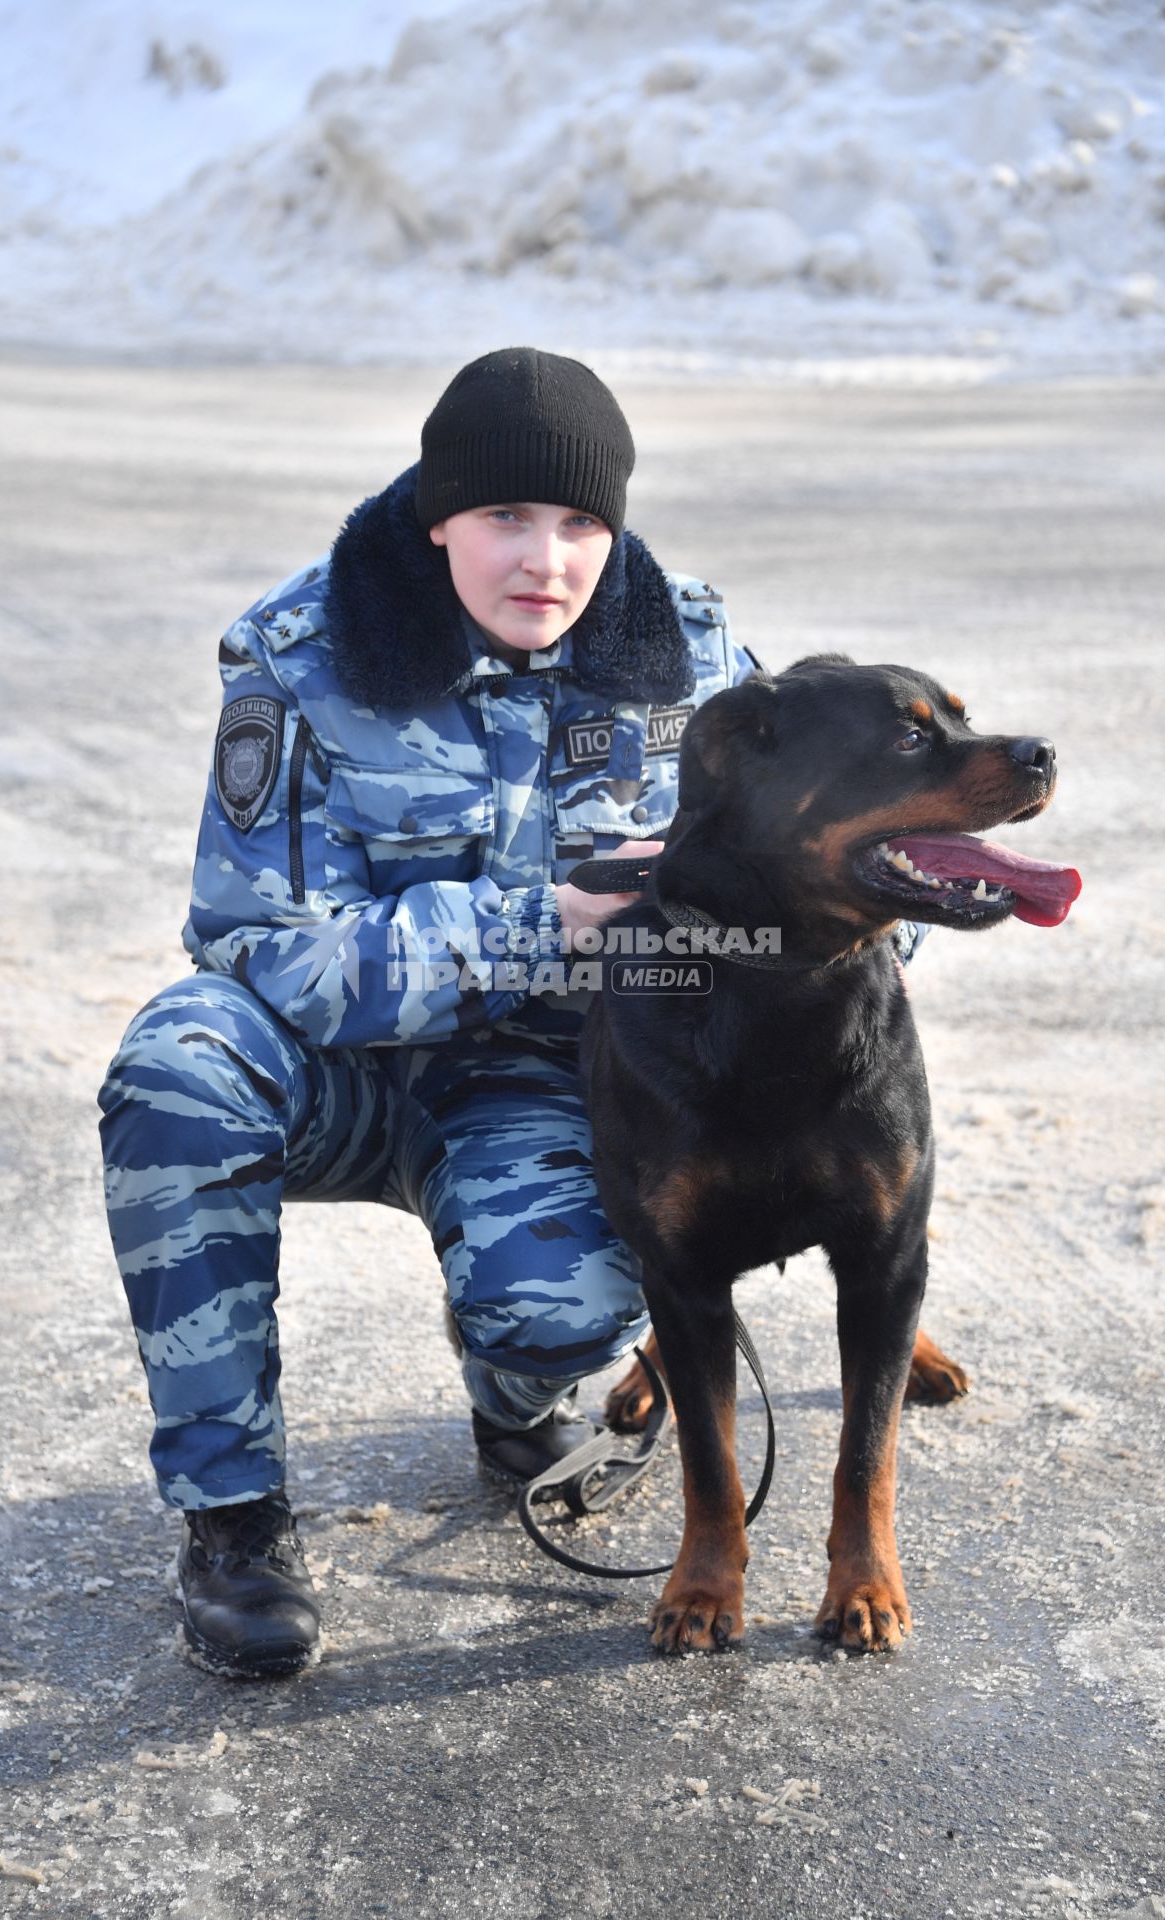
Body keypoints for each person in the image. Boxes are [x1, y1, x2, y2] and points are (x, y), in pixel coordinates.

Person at [96, 346, 918, 1680]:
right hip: (341, 1074)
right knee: (180, 1069)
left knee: (561, 1304)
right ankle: (233, 1519)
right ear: (437, 519)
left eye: (582, 521)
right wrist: (554, 920)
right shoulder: (304, 657)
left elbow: (822, 873)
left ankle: (518, 1397)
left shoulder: (698, 659)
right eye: (506, 519)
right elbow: (263, 950)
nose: (547, 557)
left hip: (556, 1087)